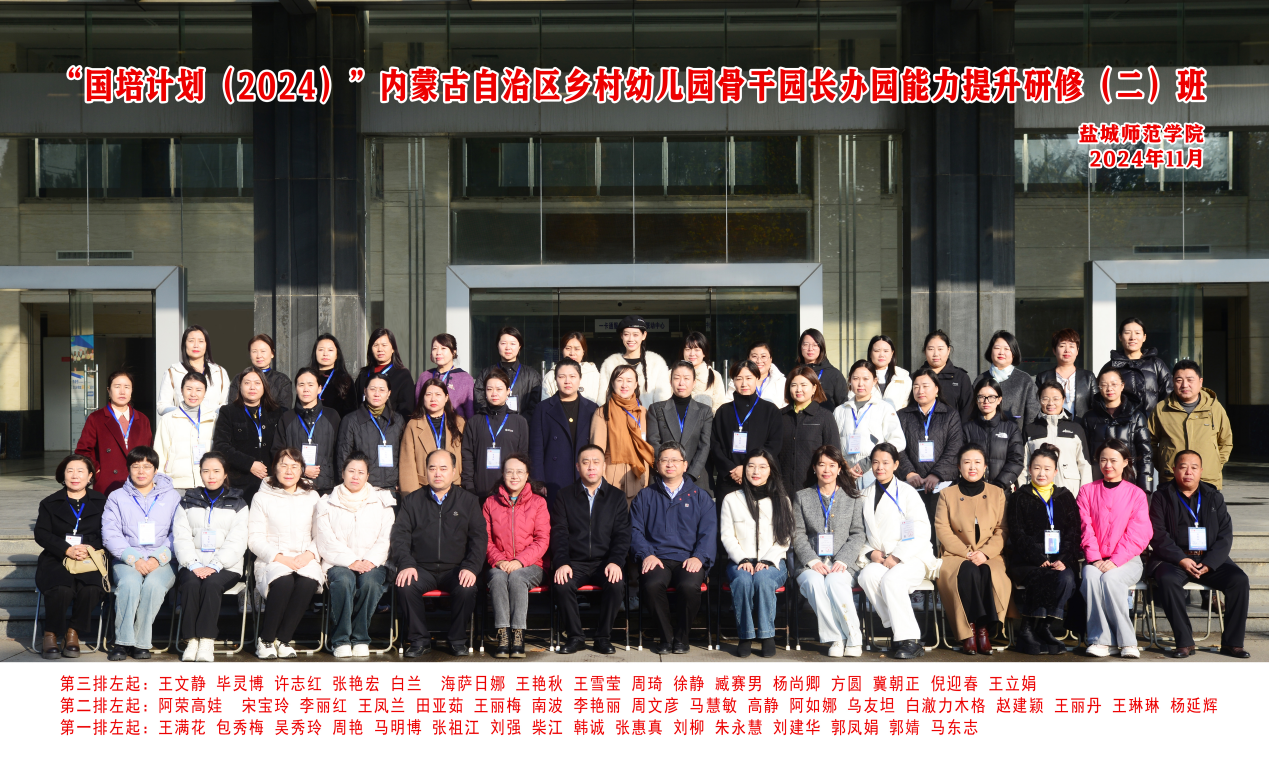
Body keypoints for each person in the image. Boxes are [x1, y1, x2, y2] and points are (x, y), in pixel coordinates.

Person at [1147, 450, 1251, 659]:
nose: (1189, 472)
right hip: (1174, 560)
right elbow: (1157, 534)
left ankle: (1232, 643)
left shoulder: (1214, 496)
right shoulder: (1161, 496)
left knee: (1239, 580)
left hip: (1208, 559)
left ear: (1201, 471)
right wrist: (1181, 559)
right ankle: (1185, 642)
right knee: (1167, 579)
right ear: (1174, 470)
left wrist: (1210, 563)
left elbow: (1225, 534)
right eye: (1183, 467)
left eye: (1194, 467)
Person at [391, 449, 486, 657]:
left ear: (454, 471)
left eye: (443, 468)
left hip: (456, 569)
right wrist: (406, 563)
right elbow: (400, 536)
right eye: (432, 468)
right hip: (421, 568)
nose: (437, 473)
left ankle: (457, 640)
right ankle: (419, 640)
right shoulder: (412, 501)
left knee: (467, 587)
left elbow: (479, 539)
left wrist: (471, 567)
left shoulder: (469, 501)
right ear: (425, 471)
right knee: (405, 585)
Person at [631, 442, 716, 654]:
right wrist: (647, 554)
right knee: (652, 585)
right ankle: (666, 636)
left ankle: (681, 637)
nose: (670, 464)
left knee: (689, 586)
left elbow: (708, 532)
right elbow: (634, 530)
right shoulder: (645, 495)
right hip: (657, 557)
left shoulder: (700, 496)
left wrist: (699, 557)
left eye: (675, 460)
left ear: (685, 465)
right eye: (665, 460)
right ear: (657, 465)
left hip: (689, 558)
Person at [856, 443, 938, 660]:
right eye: (875, 462)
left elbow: (921, 529)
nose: (880, 467)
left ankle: (910, 639)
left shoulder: (907, 492)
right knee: (867, 575)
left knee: (892, 580)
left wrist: (897, 556)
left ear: (896, 465)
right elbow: (859, 532)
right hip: (882, 558)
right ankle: (898, 629)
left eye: (885, 462)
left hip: (912, 556)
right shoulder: (864, 495)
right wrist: (870, 553)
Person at [102, 446, 181, 660]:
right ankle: (122, 641)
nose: (141, 471)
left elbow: (179, 533)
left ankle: (140, 642)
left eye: (147, 466)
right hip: (127, 559)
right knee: (129, 584)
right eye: (136, 466)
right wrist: (134, 559)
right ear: (128, 469)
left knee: (154, 586)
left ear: (155, 469)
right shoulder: (117, 497)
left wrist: (158, 558)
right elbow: (110, 533)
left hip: (163, 560)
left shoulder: (172, 496)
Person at [314, 453, 396, 658]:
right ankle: (341, 639)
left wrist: (369, 560)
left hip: (373, 562)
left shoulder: (382, 501)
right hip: (338, 562)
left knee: (370, 583)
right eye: (351, 471)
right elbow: (324, 539)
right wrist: (351, 561)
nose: (355, 476)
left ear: (368, 476)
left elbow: (387, 537)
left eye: (361, 472)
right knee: (343, 581)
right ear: (342, 473)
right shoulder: (326, 503)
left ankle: (360, 638)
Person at [551, 445, 631, 655]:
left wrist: (616, 561)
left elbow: (622, 535)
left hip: (604, 562)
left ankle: (603, 637)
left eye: (596, 462)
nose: (591, 467)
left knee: (616, 584)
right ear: (578, 467)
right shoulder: (564, 496)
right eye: (585, 462)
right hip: (574, 562)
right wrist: (562, 563)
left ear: (604, 466)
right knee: (562, 583)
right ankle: (575, 637)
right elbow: (559, 534)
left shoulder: (616, 497)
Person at [1004, 444, 1082, 656]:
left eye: (1047, 469)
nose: (1042, 473)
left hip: (1059, 559)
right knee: (1041, 575)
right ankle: (1027, 629)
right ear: (1029, 469)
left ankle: (1043, 627)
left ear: (1055, 471)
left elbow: (1074, 531)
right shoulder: (1020, 496)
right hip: (1028, 560)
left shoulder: (1065, 496)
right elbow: (1017, 533)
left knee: (1066, 578)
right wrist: (1037, 557)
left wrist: (1064, 559)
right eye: (1037, 468)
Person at [1077, 439, 1152, 658]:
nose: (1107, 465)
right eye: (1103, 460)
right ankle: (1100, 640)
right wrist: (1094, 558)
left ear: (1125, 462)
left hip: (1128, 560)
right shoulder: (1087, 491)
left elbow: (1139, 532)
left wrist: (1116, 560)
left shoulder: (1136, 494)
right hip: (1096, 559)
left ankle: (1128, 641)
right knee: (1090, 576)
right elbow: (1084, 527)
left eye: (1113, 460)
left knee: (1111, 579)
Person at [171, 453, 249, 662]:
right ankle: (191, 640)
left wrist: (215, 565)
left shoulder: (239, 503)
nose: (211, 476)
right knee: (190, 584)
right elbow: (181, 536)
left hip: (227, 566)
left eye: (216, 471)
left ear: (225, 474)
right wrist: (193, 564)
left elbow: (238, 540)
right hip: (192, 564)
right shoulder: (187, 501)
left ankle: (206, 640)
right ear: (200, 473)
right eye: (206, 471)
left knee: (211, 584)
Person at [247, 448, 324, 660]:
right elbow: (254, 538)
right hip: (273, 558)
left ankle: (283, 639)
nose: (289, 471)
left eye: (294, 466)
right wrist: (280, 558)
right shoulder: (261, 497)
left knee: (307, 583)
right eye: (284, 465)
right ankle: (265, 639)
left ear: (302, 470)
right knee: (283, 582)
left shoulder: (312, 496)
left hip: (304, 557)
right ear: (275, 468)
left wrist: (309, 555)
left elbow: (321, 534)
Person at [934, 444, 1011, 656]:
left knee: (986, 570)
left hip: (990, 554)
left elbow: (1002, 529)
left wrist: (984, 553)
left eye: (977, 462)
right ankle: (970, 630)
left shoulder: (997, 493)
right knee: (967, 570)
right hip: (956, 555)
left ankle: (983, 628)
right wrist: (966, 553)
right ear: (959, 467)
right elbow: (942, 529)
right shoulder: (946, 494)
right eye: (967, 462)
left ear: (985, 467)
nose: (972, 467)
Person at [790, 446, 866, 657]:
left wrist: (843, 559)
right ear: (814, 468)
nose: (827, 470)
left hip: (843, 563)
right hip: (810, 564)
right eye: (821, 465)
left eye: (832, 465)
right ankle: (836, 638)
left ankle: (854, 637)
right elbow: (797, 533)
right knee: (814, 583)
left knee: (834, 581)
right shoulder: (802, 497)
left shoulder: (853, 498)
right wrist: (812, 560)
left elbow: (858, 533)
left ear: (840, 468)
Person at [720, 450, 793, 658]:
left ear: (770, 471)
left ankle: (767, 636)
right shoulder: (732, 499)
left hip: (773, 562)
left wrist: (768, 559)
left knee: (763, 579)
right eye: (751, 466)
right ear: (745, 469)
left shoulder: (782, 500)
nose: (756, 471)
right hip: (740, 560)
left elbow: (785, 538)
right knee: (742, 580)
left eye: (762, 467)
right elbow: (727, 535)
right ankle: (745, 635)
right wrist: (741, 558)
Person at [35, 454, 106, 659]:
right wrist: (66, 549)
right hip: (57, 557)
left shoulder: (102, 501)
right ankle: (50, 633)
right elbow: (41, 533)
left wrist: (88, 547)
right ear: (63, 475)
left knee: (92, 588)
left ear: (90, 476)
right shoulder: (50, 503)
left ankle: (72, 632)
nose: (75, 476)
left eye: (80, 471)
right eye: (70, 471)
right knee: (61, 589)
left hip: (90, 557)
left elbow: (109, 532)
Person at [482, 454, 550, 658]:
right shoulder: (490, 503)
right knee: (497, 578)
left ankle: (518, 634)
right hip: (500, 564)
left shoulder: (538, 503)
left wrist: (520, 561)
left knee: (518, 577)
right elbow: (485, 539)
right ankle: (503, 634)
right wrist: (499, 560)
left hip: (532, 565)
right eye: (509, 471)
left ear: (527, 475)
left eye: (519, 472)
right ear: (503, 474)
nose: (514, 476)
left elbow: (542, 539)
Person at [1149, 359, 1233, 490]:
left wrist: (1215, 465)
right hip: (1171, 478)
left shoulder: (1214, 408)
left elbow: (1226, 441)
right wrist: (1164, 465)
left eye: (1190, 380)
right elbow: (1150, 442)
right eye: (1179, 380)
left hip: (1208, 479)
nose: (1184, 385)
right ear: (1173, 382)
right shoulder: (1161, 409)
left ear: (1200, 382)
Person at [711, 360, 783, 504]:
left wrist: (747, 468)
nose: (744, 383)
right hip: (730, 479)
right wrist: (731, 469)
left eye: (749, 378)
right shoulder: (723, 411)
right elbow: (714, 444)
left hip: (761, 480)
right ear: (733, 381)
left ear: (757, 378)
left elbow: (774, 445)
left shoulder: (770, 410)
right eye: (739, 378)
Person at [895, 368, 963, 519]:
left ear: (936, 389)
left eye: (925, 386)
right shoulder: (902, 415)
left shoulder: (950, 415)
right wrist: (909, 473)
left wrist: (936, 474)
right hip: (911, 485)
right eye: (916, 386)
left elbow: (954, 448)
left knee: (940, 526)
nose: (920, 391)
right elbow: (897, 447)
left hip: (942, 485)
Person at [531, 359, 598, 505]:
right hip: (554, 476)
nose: (567, 381)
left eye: (572, 376)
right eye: (562, 376)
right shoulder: (542, 408)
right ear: (555, 379)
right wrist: (538, 481)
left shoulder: (592, 408)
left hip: (584, 474)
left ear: (580, 378)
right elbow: (536, 448)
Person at [75, 369, 154, 495]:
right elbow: (83, 451)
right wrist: (98, 471)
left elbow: (150, 451)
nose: (122, 391)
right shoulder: (96, 418)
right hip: (108, 483)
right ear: (108, 390)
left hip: (139, 482)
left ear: (131, 390)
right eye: (117, 386)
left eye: (127, 387)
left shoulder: (142, 419)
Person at [212, 368, 282, 504]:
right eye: (247, 383)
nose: (252, 387)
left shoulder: (275, 412)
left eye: (257, 383)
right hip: (239, 484)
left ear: (264, 386)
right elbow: (221, 446)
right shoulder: (228, 412)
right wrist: (249, 464)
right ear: (240, 386)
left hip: (270, 482)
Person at [835, 360, 905, 491]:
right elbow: (833, 443)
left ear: (874, 381)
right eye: (855, 378)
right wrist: (844, 465)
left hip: (873, 473)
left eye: (866, 379)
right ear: (849, 380)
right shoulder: (840, 410)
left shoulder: (884, 408)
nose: (860, 383)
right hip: (845, 474)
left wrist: (868, 461)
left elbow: (898, 441)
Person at [461, 369, 530, 500]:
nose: (494, 393)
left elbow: (523, 456)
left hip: (510, 491)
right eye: (489, 389)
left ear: (508, 391)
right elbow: (467, 456)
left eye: (499, 389)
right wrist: (469, 486)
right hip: (479, 490)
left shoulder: (519, 421)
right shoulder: (475, 421)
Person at [590, 365, 655, 502]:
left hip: (638, 477)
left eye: (629, 381)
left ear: (636, 384)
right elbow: (596, 451)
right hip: (612, 477)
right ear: (612, 383)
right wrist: (601, 481)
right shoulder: (602, 412)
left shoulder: (643, 412)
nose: (624, 385)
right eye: (619, 380)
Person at [273, 368, 343, 495]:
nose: (306, 389)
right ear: (296, 389)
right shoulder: (287, 417)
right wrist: (302, 469)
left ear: (319, 388)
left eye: (310, 385)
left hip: (327, 488)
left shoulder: (332, 416)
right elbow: (277, 452)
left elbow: (340, 451)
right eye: (301, 385)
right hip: (294, 487)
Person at [647, 361, 713, 492]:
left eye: (686, 378)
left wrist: (690, 474)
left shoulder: (704, 411)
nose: (681, 383)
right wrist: (669, 469)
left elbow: (705, 445)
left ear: (694, 383)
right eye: (677, 378)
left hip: (695, 478)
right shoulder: (656, 409)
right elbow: (653, 442)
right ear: (670, 381)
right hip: (665, 477)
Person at [1084, 368, 1153, 492]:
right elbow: (1084, 455)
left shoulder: (1136, 417)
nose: (1109, 388)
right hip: (1097, 483)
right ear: (1099, 388)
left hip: (1129, 482)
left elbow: (1145, 455)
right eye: (1104, 385)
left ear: (1122, 386)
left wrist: (1145, 489)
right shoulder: (1089, 418)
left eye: (1114, 384)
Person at [778, 365, 842, 497]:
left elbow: (834, 453)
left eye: (803, 385)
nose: (798, 389)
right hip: (782, 490)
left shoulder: (824, 416)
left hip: (813, 489)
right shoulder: (780, 416)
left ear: (814, 388)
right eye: (794, 385)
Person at [1020, 381, 1093, 496]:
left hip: (1070, 493)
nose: (1050, 403)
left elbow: (1084, 465)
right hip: (1037, 494)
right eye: (1045, 399)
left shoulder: (1076, 429)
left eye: (1056, 399)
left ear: (1063, 400)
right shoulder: (1030, 430)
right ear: (1039, 400)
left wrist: (1085, 497)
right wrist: (1023, 494)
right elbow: (1024, 466)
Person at [337, 374, 405, 493]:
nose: (377, 394)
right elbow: (343, 456)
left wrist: (403, 483)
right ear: (365, 391)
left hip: (392, 489)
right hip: (362, 488)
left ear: (389, 393)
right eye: (372, 389)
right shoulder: (351, 420)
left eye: (382, 390)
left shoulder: (398, 420)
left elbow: (404, 456)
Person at [401, 377, 465, 494]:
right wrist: (411, 497)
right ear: (422, 398)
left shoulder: (459, 423)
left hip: (454, 487)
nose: (433, 399)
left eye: (438, 394)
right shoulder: (413, 425)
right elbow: (407, 464)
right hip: (423, 488)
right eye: (428, 394)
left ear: (446, 397)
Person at [154, 372, 217, 491]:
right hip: (175, 485)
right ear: (181, 390)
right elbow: (159, 454)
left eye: (199, 390)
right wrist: (160, 484)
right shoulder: (168, 419)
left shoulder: (214, 418)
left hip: (208, 484)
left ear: (205, 392)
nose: (193, 394)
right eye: (189, 389)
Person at [961, 377, 1025, 491]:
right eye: (981, 397)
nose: (986, 401)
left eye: (991, 397)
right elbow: (960, 460)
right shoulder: (966, 429)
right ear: (976, 400)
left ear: (999, 400)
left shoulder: (1011, 428)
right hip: (973, 490)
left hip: (1002, 491)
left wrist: (999, 485)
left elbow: (1016, 461)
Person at [1101, 317, 1173, 413]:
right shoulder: (1111, 367)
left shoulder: (1156, 364)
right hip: (1122, 421)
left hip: (1152, 420)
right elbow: (1101, 398)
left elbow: (1169, 394)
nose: (1132, 337)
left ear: (1144, 337)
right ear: (1120, 337)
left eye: (1137, 333)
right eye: (1127, 333)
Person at [598, 315, 671, 406]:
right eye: (626, 334)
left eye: (635, 335)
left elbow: (663, 399)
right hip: (616, 414)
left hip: (648, 414)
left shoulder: (656, 363)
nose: (631, 339)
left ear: (644, 335)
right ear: (621, 336)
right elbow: (603, 399)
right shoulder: (610, 363)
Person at [158, 325, 231, 415]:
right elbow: (162, 406)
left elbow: (227, 404)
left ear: (206, 345)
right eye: (191, 341)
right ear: (184, 344)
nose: (196, 345)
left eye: (201, 341)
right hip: (183, 423)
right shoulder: (173, 371)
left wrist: (209, 414)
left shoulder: (219, 372)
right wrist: (184, 412)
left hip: (212, 423)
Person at [474, 326, 543, 419]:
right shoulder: (486, 373)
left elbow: (535, 406)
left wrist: (519, 422)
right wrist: (494, 420)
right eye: (503, 343)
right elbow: (479, 402)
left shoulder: (532, 375)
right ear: (497, 345)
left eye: (512, 343)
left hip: (523, 425)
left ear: (519, 346)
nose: (508, 348)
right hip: (492, 424)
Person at [976, 330, 1040, 425]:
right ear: (990, 351)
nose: (1001, 352)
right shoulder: (980, 379)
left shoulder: (1024, 380)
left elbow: (1032, 414)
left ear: (1013, 353)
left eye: (1007, 349)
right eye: (997, 348)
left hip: (1016, 433)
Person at [354, 328, 416, 420]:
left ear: (393, 348)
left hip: (390, 425)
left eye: (384, 345)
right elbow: (355, 403)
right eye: (375, 345)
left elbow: (406, 409)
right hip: (362, 425)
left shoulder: (402, 375)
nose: (380, 349)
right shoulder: (364, 374)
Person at [1035, 328, 1098, 420]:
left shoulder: (1088, 377)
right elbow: (1036, 406)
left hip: (1081, 426)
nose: (1067, 350)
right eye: (1062, 346)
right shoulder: (1043, 377)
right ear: (1054, 350)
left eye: (1071, 346)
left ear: (1077, 350)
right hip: (1051, 426)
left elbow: (1096, 406)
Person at [416, 333, 476, 419]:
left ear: (453, 352)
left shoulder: (465, 378)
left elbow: (470, 413)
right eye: (434, 348)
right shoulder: (424, 376)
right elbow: (417, 407)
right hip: (427, 425)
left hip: (455, 426)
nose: (438, 352)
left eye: (443, 348)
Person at [917, 329, 973, 422]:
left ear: (948, 350)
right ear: (925, 351)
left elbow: (967, 412)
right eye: (931, 349)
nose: (936, 354)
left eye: (940, 349)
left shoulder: (960, 377)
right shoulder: (915, 378)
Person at [228, 334, 293, 409]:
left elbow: (285, 410)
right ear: (250, 354)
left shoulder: (282, 380)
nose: (259, 356)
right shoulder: (239, 378)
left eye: (263, 351)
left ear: (272, 354)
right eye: (254, 351)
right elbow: (232, 408)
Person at [541, 332, 602, 404]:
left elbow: (602, 405)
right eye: (568, 348)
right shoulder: (550, 376)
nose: (572, 353)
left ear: (583, 351)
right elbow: (545, 406)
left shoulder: (595, 376)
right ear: (562, 350)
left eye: (577, 349)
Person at [851, 335, 910, 410]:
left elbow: (907, 405)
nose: (881, 355)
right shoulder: (859, 375)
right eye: (877, 351)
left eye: (886, 351)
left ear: (892, 353)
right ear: (870, 353)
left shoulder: (903, 376)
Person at [798, 328, 847, 411]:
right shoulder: (796, 373)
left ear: (821, 347)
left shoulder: (834, 374)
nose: (810, 348)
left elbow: (843, 406)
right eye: (806, 344)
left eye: (815, 345)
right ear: (800, 347)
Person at [310, 333, 357, 417]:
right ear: (315, 353)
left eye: (330, 350)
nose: (325, 354)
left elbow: (351, 414)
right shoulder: (307, 377)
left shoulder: (345, 380)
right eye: (321, 349)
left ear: (337, 355)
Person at [728, 340, 787, 409]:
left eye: (763, 356)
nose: (759, 361)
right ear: (748, 359)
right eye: (754, 356)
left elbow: (786, 407)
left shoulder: (781, 381)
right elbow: (729, 404)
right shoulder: (738, 380)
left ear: (771, 359)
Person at [682, 331, 729, 412]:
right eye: (688, 349)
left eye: (697, 349)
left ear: (704, 353)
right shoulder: (671, 374)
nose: (692, 354)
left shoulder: (715, 376)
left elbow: (719, 407)